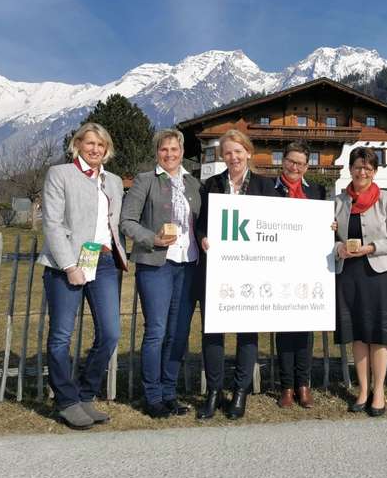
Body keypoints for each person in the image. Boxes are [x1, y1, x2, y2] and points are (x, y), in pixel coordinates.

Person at [39, 122, 128, 430]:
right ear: (77, 144)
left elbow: (115, 224)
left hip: (102, 261)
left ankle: (85, 394)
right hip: (67, 263)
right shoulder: (60, 174)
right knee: (62, 336)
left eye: (100, 145)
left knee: (111, 333)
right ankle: (65, 400)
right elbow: (52, 224)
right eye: (89, 143)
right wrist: (69, 266)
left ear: (107, 149)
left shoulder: (113, 181)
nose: (95, 149)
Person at [195, 129, 277, 420]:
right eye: (227, 153)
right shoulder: (212, 185)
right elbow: (200, 224)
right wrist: (203, 237)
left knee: (247, 332)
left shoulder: (266, 186)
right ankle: (214, 391)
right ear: (222, 156)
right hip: (218, 269)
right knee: (213, 332)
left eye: (238, 151)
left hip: (251, 271)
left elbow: (282, 222)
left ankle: (240, 392)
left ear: (248, 152)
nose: (233, 157)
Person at [120, 129, 201, 419]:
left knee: (178, 334)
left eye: (174, 149)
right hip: (156, 264)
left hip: (188, 263)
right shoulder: (145, 181)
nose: (169, 154)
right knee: (157, 331)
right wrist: (152, 238)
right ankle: (152, 396)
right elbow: (127, 221)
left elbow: (202, 222)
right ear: (157, 152)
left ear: (182, 151)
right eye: (164, 150)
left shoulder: (194, 183)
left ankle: (170, 393)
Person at [334, 146, 387, 417]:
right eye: (357, 166)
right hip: (350, 276)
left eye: (368, 167)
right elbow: (329, 238)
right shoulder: (339, 201)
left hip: (379, 275)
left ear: (375, 172)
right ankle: (363, 390)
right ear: (350, 169)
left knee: (379, 334)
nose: (362, 171)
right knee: (358, 335)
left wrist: (371, 248)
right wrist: (338, 247)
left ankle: (379, 391)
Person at [272, 141, 327, 409]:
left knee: (305, 329)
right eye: (291, 161)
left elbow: (324, 228)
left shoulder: (316, 191)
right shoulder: (267, 190)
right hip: (279, 266)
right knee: (283, 330)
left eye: (300, 163)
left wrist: (330, 226)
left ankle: (303, 385)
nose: (295, 167)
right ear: (283, 161)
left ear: (307, 166)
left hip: (307, 267)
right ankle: (286, 387)